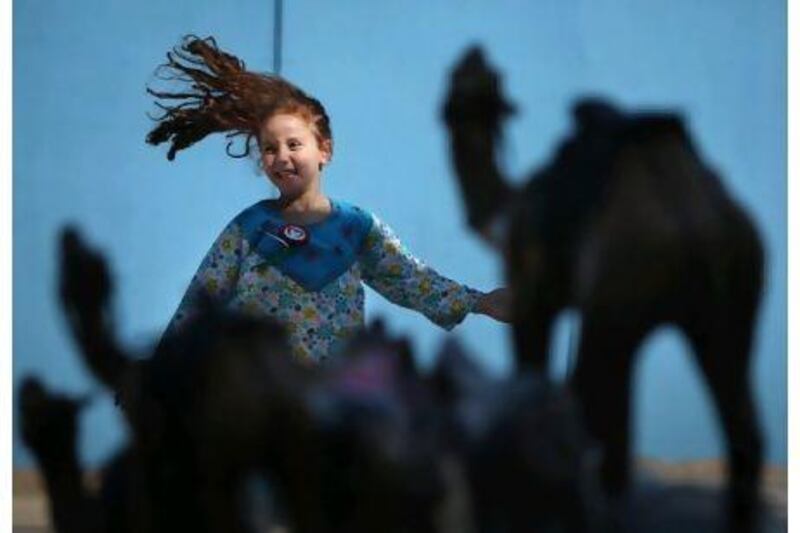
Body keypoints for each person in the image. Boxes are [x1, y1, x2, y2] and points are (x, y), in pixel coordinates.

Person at [149, 35, 511, 363]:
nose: (282, 156)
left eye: (294, 144)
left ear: (325, 150)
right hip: (263, 403)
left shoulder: (355, 228)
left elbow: (411, 279)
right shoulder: (249, 228)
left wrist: (478, 301)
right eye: (269, 148)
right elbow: (201, 300)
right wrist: (161, 369)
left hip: (330, 407)